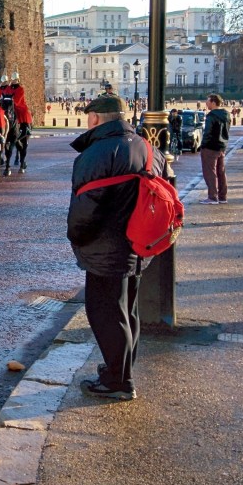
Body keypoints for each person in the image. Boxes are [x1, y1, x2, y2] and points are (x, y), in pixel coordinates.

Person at [68, 94, 165, 401]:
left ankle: (118, 382)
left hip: (106, 245)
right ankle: (120, 369)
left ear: (96, 118)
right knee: (128, 310)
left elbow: (85, 208)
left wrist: (77, 237)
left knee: (105, 312)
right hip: (138, 242)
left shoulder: (96, 153)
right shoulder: (149, 148)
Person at [199, 93, 230, 205]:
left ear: (213, 102)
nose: (206, 103)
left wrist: (203, 145)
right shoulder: (226, 115)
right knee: (221, 171)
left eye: (207, 101)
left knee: (210, 172)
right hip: (221, 146)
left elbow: (208, 132)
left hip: (210, 146)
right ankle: (222, 196)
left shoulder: (211, 116)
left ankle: (212, 196)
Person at [5, 68, 34, 136]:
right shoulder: (8, 88)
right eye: (13, 80)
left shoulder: (20, 89)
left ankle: (26, 127)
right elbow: (6, 95)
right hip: (8, 104)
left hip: (19, 105)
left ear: (18, 80)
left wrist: (13, 102)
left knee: (24, 112)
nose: (14, 81)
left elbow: (18, 98)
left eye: (15, 80)